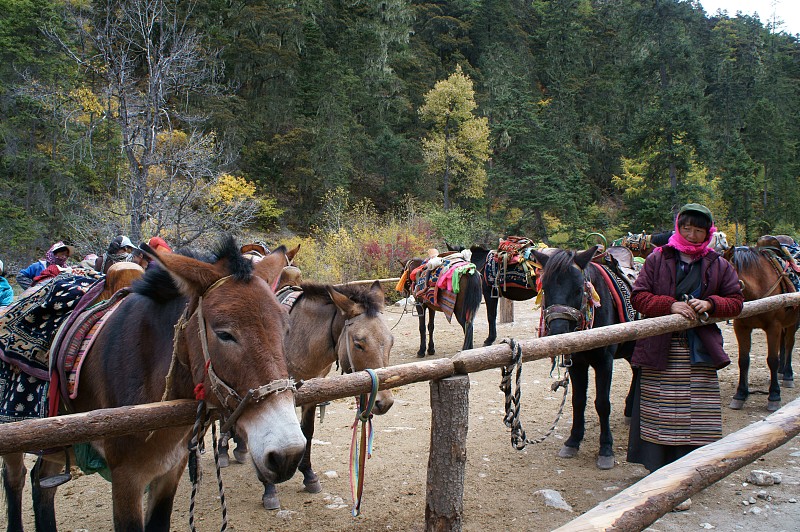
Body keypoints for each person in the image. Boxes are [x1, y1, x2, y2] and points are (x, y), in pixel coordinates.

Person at [627, 204, 743, 507]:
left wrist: (712, 304)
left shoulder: (718, 264)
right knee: (660, 410)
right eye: (686, 228)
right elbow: (638, 296)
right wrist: (669, 305)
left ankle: (692, 469)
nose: (692, 235)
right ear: (678, 228)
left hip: (699, 351)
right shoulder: (657, 258)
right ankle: (658, 469)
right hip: (660, 347)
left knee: (696, 412)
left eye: (699, 230)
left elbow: (736, 301)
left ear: (708, 233)